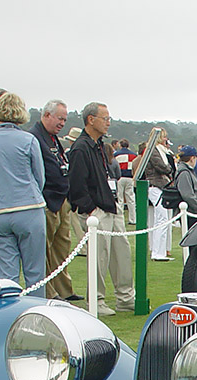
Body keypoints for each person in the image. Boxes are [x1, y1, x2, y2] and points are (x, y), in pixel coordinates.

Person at [67, 102, 134, 316]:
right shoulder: (80, 148)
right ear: (91, 119)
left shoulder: (99, 146)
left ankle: (125, 297)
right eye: (104, 118)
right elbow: (76, 184)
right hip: (97, 211)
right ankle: (95, 300)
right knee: (99, 257)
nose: (108, 122)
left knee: (121, 252)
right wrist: (90, 209)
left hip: (111, 206)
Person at [0, 92, 46, 292]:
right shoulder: (28, 140)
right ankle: (36, 315)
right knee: (35, 274)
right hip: (29, 209)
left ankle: (8, 317)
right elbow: (39, 177)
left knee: (6, 276)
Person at [30, 99, 80, 301]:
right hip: (47, 201)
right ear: (46, 115)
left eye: (65, 120)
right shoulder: (34, 137)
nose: (62, 123)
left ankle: (64, 290)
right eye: (59, 118)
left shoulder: (53, 139)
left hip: (62, 200)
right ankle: (49, 291)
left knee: (62, 248)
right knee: (46, 250)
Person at [144, 128, 175, 261]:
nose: (165, 140)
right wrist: (168, 168)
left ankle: (160, 251)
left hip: (161, 186)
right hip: (155, 186)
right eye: (164, 137)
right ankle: (157, 252)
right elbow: (164, 167)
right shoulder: (153, 151)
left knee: (162, 220)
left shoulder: (161, 151)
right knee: (160, 220)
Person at [114, 139, 137, 224]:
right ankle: (133, 219)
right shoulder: (133, 155)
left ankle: (120, 218)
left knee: (120, 199)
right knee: (130, 199)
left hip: (120, 177)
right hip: (130, 178)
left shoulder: (116, 154)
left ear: (120, 145)